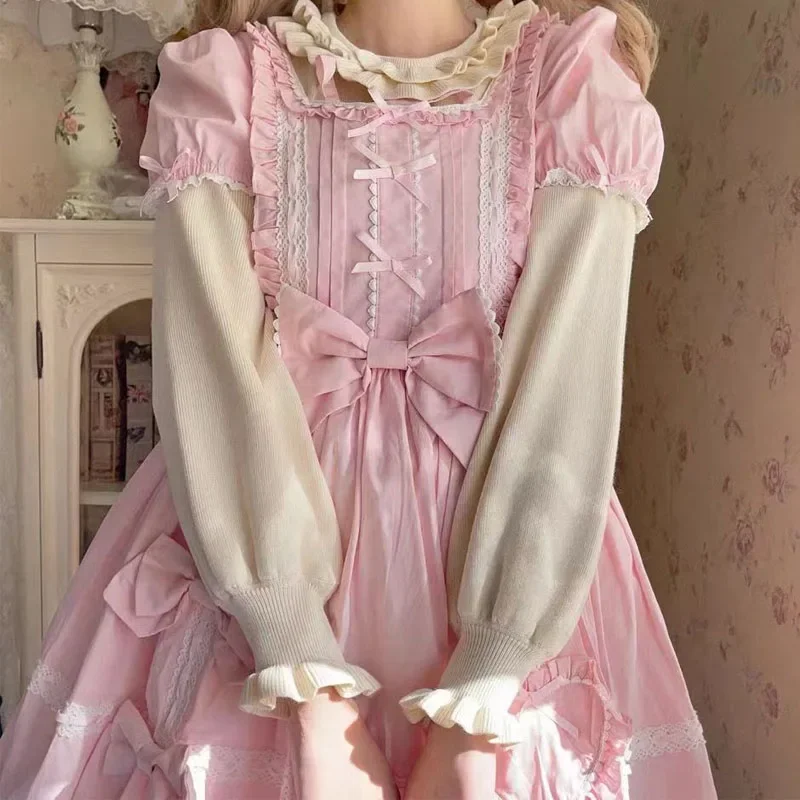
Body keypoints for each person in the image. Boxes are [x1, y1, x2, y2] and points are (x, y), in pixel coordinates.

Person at [0, 1, 719, 797]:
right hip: (257, 525)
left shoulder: (572, 85)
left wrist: (487, 680)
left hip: (512, 544)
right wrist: (297, 665)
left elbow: (566, 399)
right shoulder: (225, 85)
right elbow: (210, 375)